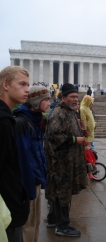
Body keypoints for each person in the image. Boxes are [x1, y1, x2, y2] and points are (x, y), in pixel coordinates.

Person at [44, 83, 87, 237]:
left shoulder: (69, 111)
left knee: (57, 192)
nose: (76, 99)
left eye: (77, 96)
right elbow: (55, 136)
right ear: (63, 98)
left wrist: (80, 138)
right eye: (72, 97)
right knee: (63, 193)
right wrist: (76, 140)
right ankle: (63, 226)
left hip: (68, 160)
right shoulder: (58, 113)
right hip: (61, 162)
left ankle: (53, 219)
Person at [13, 86, 51, 242]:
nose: (50, 103)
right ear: (36, 101)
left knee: (35, 222)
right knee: (27, 225)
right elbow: (23, 158)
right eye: (47, 99)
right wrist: (28, 186)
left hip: (35, 178)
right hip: (27, 182)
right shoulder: (22, 122)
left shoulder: (37, 120)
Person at [0, 66, 30, 242]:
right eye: (22, 84)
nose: (27, 89)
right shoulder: (3, 122)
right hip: (7, 211)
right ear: (6, 85)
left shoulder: (7, 118)